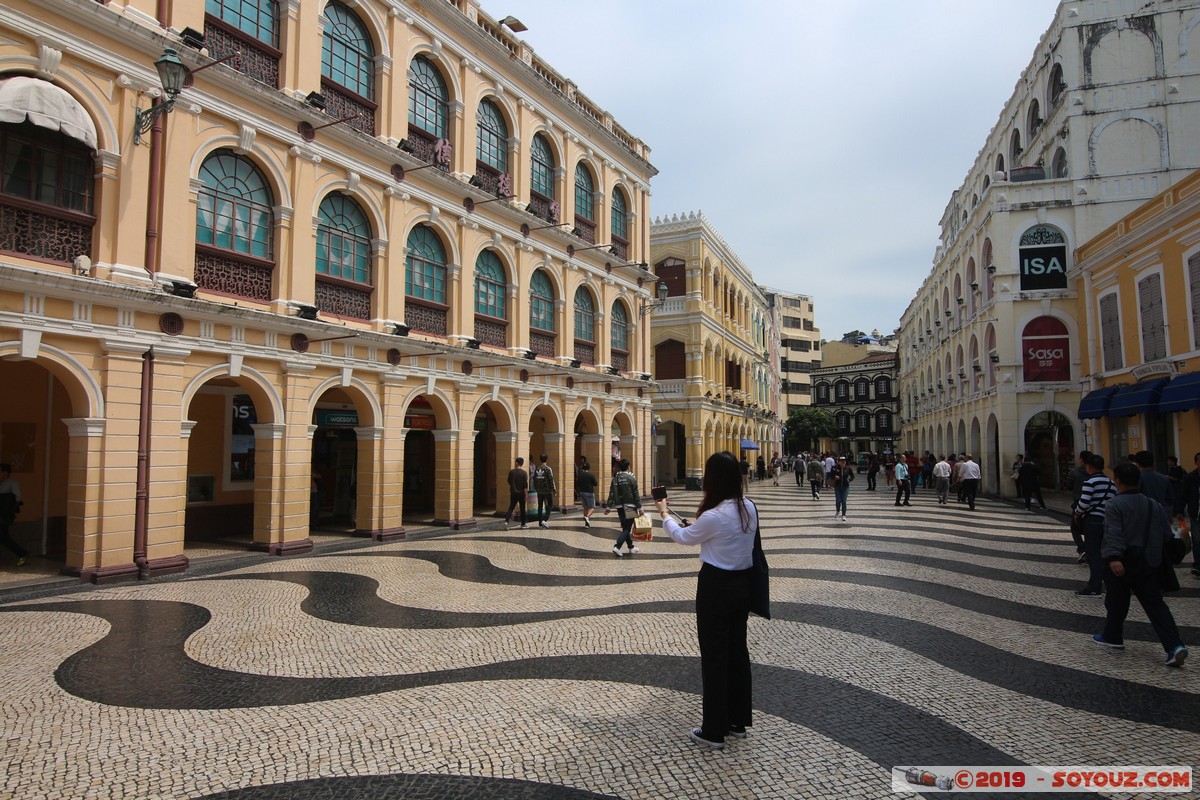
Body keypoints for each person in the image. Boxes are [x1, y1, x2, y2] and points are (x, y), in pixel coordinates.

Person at [654, 451, 758, 750]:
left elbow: (685, 538)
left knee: (714, 657)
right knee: (737, 652)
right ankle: (738, 721)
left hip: (716, 588)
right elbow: (716, 533)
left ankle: (714, 729)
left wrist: (663, 513)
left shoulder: (714, 515)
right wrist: (693, 523)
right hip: (743, 586)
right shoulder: (748, 507)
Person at [1092, 462, 1188, 668]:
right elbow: (1165, 533)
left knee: (1117, 601)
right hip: (1150, 562)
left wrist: (1114, 557)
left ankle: (1113, 637)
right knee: (1156, 605)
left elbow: (1114, 533)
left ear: (1117, 481)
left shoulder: (1114, 505)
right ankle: (1174, 645)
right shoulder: (1154, 504)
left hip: (1124, 562)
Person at [1074, 454, 1117, 596]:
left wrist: (1077, 513)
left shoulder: (1089, 482)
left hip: (1092, 521)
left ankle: (1094, 586)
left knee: (1093, 554)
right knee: (1104, 552)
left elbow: (1084, 502)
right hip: (1106, 521)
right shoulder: (1111, 483)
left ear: (1089, 467)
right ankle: (1109, 584)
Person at [605, 459, 642, 557]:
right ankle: (617, 547)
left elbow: (612, 494)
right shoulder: (631, 478)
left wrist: (608, 506)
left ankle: (631, 547)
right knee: (627, 528)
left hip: (619, 507)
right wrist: (640, 508)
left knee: (625, 527)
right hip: (630, 506)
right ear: (628, 466)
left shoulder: (615, 479)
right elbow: (635, 494)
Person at [1175, 452, 1200, 578]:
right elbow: (1183, 494)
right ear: (1196, 462)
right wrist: (1179, 511)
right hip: (1196, 514)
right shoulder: (1190, 478)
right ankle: (1198, 565)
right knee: (1196, 540)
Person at [1066, 451, 1093, 563]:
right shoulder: (1094, 473)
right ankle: (1089, 550)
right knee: (1089, 528)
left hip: (1079, 502)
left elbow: (1068, 486)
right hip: (1093, 504)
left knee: (1075, 528)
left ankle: (1082, 549)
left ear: (1081, 459)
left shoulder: (1074, 472)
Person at [0, 463, 27, 566]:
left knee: (3, 537)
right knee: (4, 537)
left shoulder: (12, 483)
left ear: (5, 472)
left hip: (3, 514)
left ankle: (22, 553)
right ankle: (22, 553)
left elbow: (17, 498)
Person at [532, 454, 556, 529]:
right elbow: (551, 480)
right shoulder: (548, 469)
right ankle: (544, 519)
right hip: (547, 491)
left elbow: (534, 480)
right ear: (547, 459)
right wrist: (554, 490)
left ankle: (540, 523)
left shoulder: (537, 469)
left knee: (540, 506)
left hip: (539, 491)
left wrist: (536, 489)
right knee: (550, 504)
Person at [504, 457, 529, 530]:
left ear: (516, 463)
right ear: (522, 463)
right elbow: (525, 485)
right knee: (522, 509)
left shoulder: (511, 472)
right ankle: (523, 524)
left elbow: (508, 481)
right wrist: (526, 494)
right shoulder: (524, 473)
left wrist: (513, 486)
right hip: (521, 493)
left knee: (511, 507)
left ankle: (506, 521)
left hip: (513, 492)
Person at [829, 455, 854, 521]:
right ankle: (837, 511)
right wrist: (835, 477)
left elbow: (852, 476)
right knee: (838, 500)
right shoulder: (835, 468)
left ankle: (844, 515)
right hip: (837, 487)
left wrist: (849, 480)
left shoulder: (848, 468)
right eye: (841, 461)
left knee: (843, 501)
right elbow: (830, 475)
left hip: (845, 487)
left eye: (844, 461)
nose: (843, 462)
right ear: (839, 462)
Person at [577, 462, 599, 527]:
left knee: (585, 507)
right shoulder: (591, 475)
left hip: (582, 492)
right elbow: (595, 484)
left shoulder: (580, 475)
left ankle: (586, 523)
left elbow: (578, 484)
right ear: (589, 468)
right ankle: (587, 517)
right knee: (592, 507)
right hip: (589, 492)